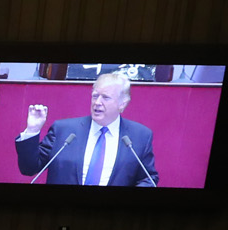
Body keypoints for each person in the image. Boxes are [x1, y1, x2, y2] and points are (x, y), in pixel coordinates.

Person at [15, 71, 158, 187]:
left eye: (105, 98)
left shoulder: (140, 136)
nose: (97, 102)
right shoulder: (63, 130)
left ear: (122, 104)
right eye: (95, 96)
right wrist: (32, 130)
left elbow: (148, 178)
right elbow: (29, 168)